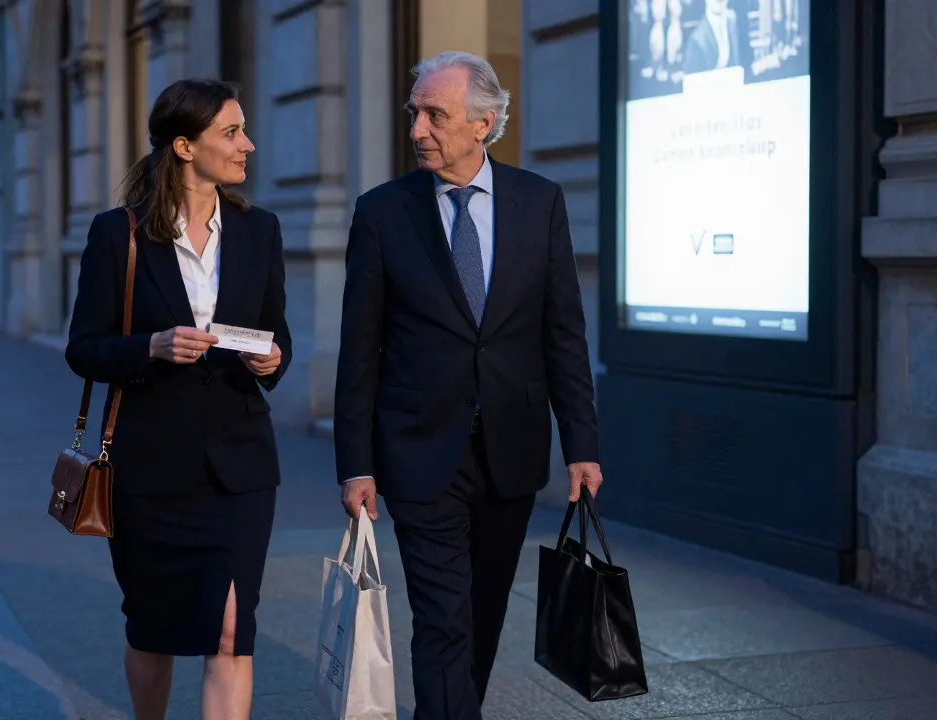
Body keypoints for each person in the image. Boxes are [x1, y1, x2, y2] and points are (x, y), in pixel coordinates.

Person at [334, 51, 603, 720]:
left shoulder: (539, 202)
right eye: (414, 114)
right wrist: (355, 463)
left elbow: (563, 332)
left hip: (510, 450)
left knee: (480, 616)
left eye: (435, 115)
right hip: (420, 451)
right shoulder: (382, 213)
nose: (419, 129)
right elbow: (359, 350)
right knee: (443, 620)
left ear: (483, 124)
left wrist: (582, 445)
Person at [64, 77, 291, 720]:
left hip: (240, 466)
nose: (247, 144)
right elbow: (84, 348)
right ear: (185, 146)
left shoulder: (260, 231)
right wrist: (152, 349)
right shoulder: (119, 235)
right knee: (153, 629)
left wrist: (272, 360)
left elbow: (280, 338)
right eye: (232, 132)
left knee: (229, 631)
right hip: (150, 468)